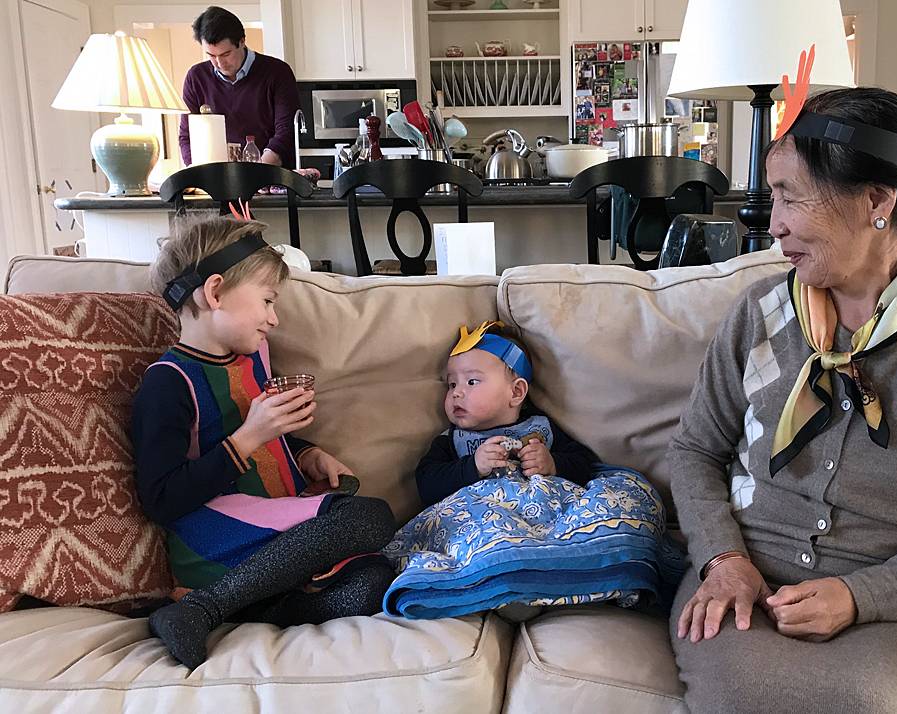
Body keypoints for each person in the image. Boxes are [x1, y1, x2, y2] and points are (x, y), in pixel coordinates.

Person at [667, 87, 897, 713]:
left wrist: (862, 597)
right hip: (745, 583)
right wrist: (723, 561)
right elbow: (695, 449)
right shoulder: (759, 315)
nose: (774, 222)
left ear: (876, 201)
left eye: (791, 194)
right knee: (741, 696)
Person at [133, 215, 396, 670]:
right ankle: (201, 607)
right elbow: (161, 499)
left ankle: (251, 604)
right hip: (213, 537)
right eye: (268, 301)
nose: (274, 318)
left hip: (268, 545)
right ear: (214, 293)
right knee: (372, 516)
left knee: (376, 579)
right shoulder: (168, 383)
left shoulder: (252, 360)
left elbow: (271, 443)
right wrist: (250, 436)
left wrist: (306, 453)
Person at [414, 321, 599, 507]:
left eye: (471, 381)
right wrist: (473, 467)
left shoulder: (542, 428)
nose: (456, 393)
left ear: (516, 392)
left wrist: (553, 464)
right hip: (483, 520)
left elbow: (585, 466)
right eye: (452, 384)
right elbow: (426, 486)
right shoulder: (451, 440)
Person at [177, 6, 300, 167]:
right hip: (216, 179)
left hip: (270, 176)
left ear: (242, 41)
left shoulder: (277, 72)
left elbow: (286, 132)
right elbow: (187, 136)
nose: (219, 63)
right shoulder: (196, 78)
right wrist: (195, 174)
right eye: (211, 55)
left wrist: (256, 174)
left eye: (226, 54)